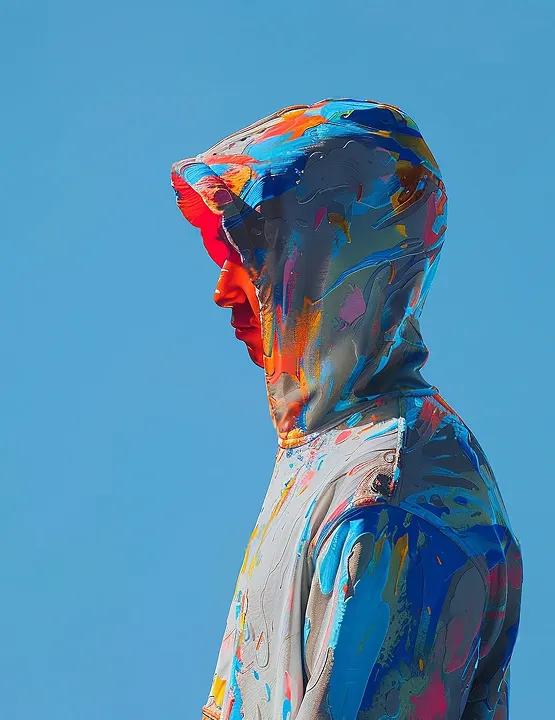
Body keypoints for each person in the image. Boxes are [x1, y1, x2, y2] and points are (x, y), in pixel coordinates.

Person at [171, 98, 522, 720]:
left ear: (337, 260)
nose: (224, 290)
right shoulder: (329, 456)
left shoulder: (393, 495)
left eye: (254, 252)